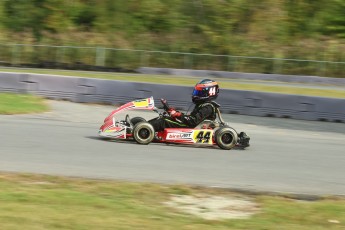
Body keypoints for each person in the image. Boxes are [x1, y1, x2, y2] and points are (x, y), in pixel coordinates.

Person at [149, 79, 220, 132]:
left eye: (199, 92)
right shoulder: (203, 105)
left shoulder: (208, 107)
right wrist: (175, 113)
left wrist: (178, 115)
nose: (196, 94)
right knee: (164, 117)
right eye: (197, 92)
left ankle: (145, 129)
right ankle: (144, 126)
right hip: (190, 125)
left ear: (209, 93)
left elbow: (193, 121)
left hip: (192, 128)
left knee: (164, 121)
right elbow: (191, 118)